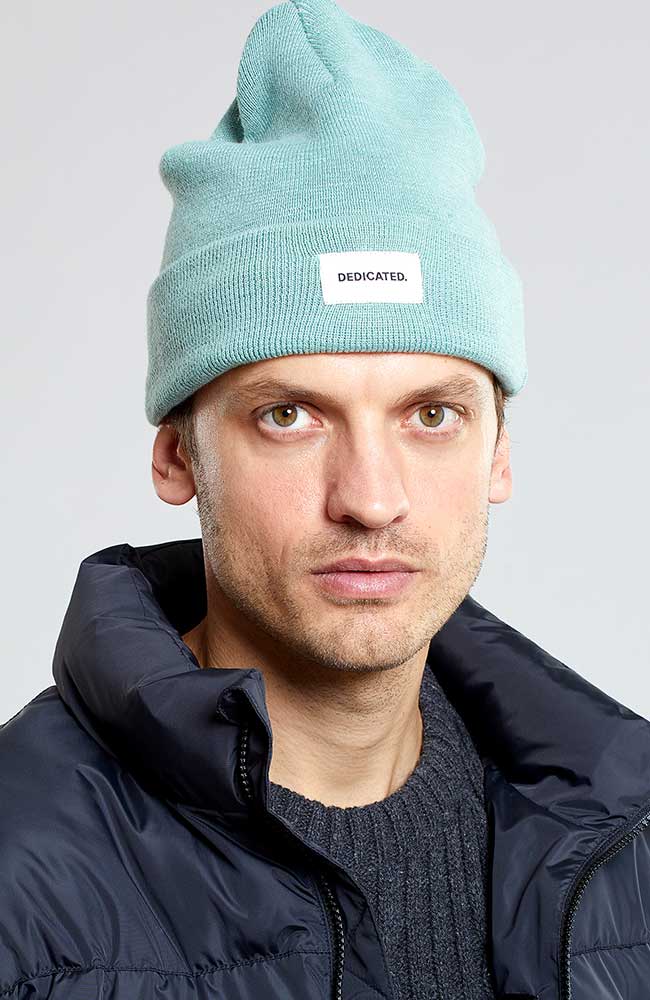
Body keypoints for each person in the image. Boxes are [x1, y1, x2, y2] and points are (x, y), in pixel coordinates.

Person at [2, 1, 649, 998]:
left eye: (430, 415)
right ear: (176, 455)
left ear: (498, 452)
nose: (371, 499)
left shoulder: (628, 835)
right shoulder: (19, 876)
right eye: (288, 416)